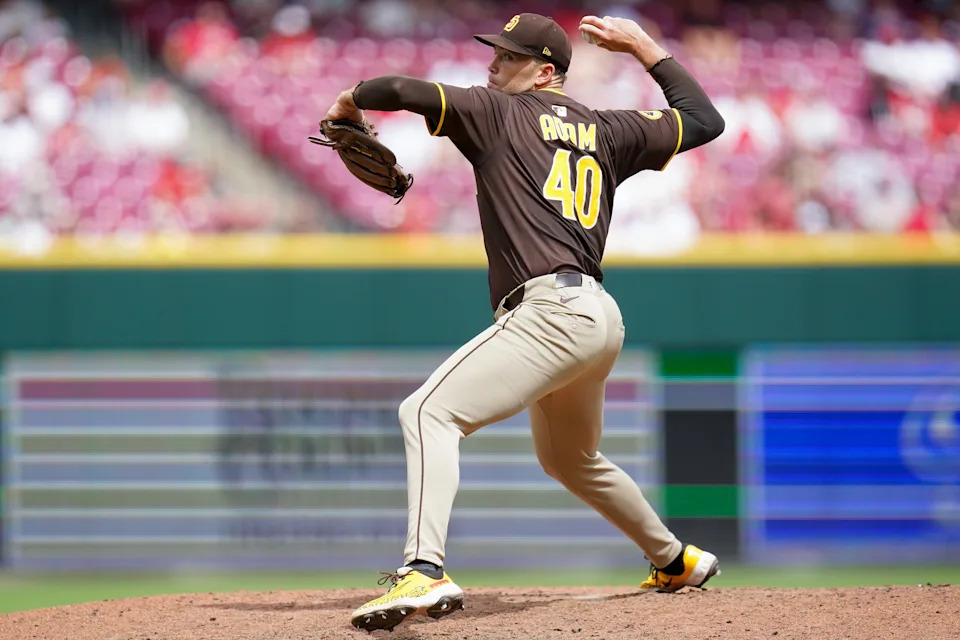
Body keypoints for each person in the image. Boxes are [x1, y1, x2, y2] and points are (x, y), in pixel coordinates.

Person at [324, 13, 726, 633]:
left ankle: (424, 569)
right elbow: (704, 121)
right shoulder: (609, 130)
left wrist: (349, 104)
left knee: (427, 412)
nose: (493, 66)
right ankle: (674, 560)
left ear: (544, 72)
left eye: (508, 58)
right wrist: (645, 47)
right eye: (495, 54)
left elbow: (398, 91)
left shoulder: (496, 112)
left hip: (550, 312)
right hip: (598, 319)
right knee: (570, 457)